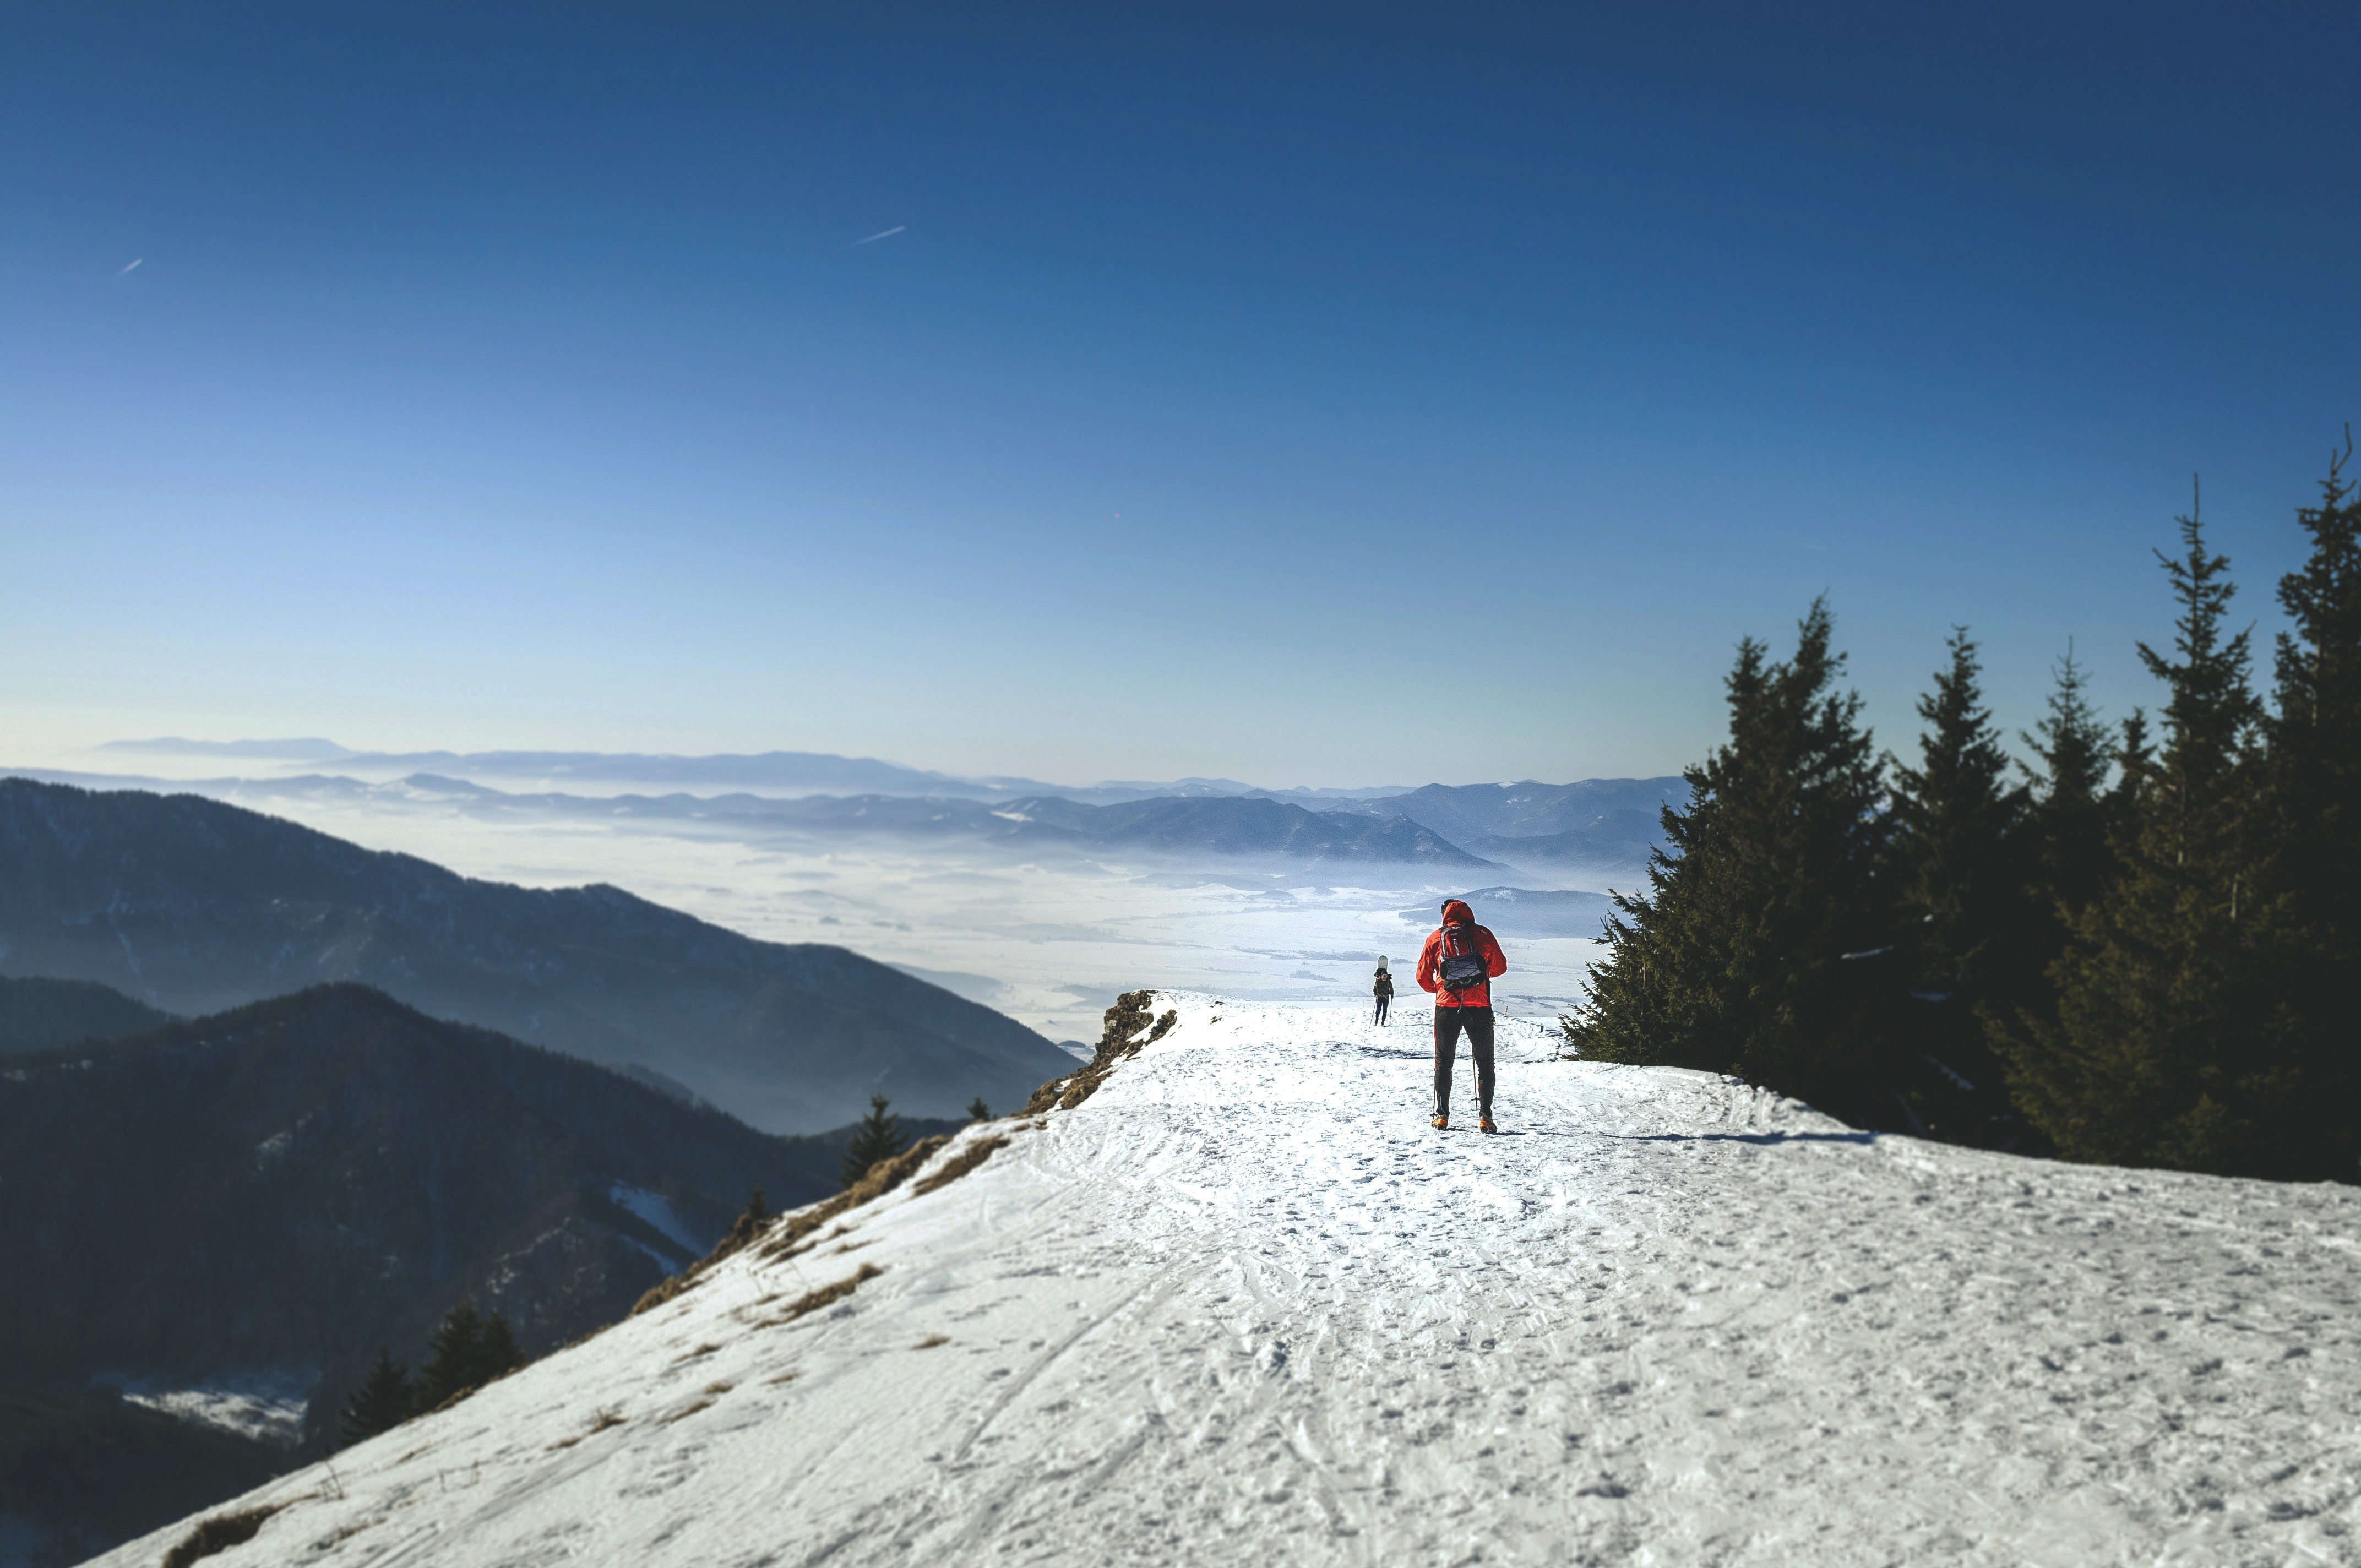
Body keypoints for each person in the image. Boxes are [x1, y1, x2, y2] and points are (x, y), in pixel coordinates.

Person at [1415, 897, 1508, 1133]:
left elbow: (1423, 977)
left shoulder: (1436, 938)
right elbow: (1500, 967)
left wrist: (1443, 986)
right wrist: (1478, 975)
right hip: (1479, 1007)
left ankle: (1442, 1116)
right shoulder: (1483, 935)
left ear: (1443, 914)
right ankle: (1486, 1118)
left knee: (1443, 1062)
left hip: (1446, 1007)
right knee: (1486, 1063)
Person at [1372, 956, 1395, 1025]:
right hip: (1379, 997)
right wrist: (1375, 995)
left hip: (1386, 997)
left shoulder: (1389, 982)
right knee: (1379, 1010)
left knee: (1385, 1010)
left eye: (1385, 976)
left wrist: (1392, 994)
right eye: (1383, 976)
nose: (1385, 977)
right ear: (1382, 976)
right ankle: (1376, 1019)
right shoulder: (1378, 982)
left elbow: (1391, 989)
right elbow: (1375, 989)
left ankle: (1383, 1022)